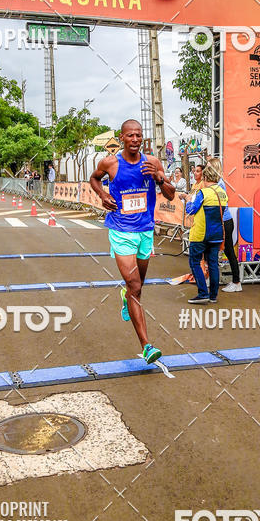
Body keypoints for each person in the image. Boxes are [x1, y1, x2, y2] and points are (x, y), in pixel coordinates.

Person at [90, 119, 175, 364]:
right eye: (130, 135)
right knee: (135, 285)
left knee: (138, 287)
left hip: (145, 231)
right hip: (121, 231)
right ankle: (147, 346)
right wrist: (103, 194)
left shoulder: (152, 163)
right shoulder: (111, 163)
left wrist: (159, 179)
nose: (135, 139)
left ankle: (126, 297)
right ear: (122, 137)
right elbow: (94, 179)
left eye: (138, 135)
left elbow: (170, 194)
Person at [184, 160, 228, 303]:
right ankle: (213, 296)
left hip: (200, 234)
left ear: (205, 178)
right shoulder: (222, 193)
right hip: (216, 235)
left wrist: (188, 199)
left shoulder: (204, 193)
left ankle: (203, 293)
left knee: (195, 262)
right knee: (213, 264)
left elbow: (190, 210)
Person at [208, 157, 242, 293]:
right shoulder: (215, 182)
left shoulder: (219, 183)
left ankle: (236, 281)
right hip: (220, 221)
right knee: (215, 250)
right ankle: (214, 278)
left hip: (224, 222)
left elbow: (220, 205)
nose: (206, 167)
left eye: (209, 166)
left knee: (228, 250)